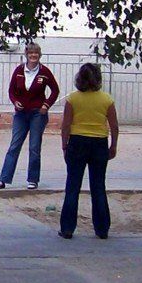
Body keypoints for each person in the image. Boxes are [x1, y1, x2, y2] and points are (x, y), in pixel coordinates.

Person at [59, 63, 119, 239]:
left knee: (72, 185)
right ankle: (102, 229)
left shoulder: (73, 99)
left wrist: (64, 145)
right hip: (99, 142)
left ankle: (67, 228)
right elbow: (114, 126)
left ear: (80, 78)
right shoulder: (107, 99)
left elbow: (66, 125)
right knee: (98, 186)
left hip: (77, 142)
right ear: (98, 79)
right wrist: (113, 145)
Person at [0, 43, 59, 190]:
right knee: (14, 146)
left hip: (37, 114)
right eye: (30, 53)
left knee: (34, 147)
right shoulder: (19, 71)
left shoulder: (44, 72)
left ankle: (33, 180)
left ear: (39, 55)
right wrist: (15, 102)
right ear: (26, 55)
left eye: (36, 53)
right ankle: (3, 179)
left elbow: (55, 90)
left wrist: (46, 105)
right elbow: (11, 91)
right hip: (21, 114)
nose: (33, 56)